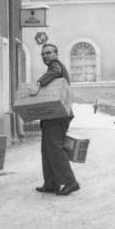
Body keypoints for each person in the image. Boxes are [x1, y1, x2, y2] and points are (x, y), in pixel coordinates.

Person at [29, 43, 79, 196]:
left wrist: (39, 83)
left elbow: (54, 72)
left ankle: (71, 182)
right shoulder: (52, 68)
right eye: (43, 54)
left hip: (58, 116)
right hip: (53, 115)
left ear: (56, 54)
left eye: (49, 53)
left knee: (55, 149)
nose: (46, 56)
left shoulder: (55, 66)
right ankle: (51, 183)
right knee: (47, 150)